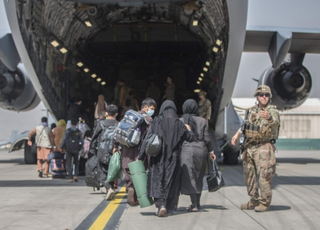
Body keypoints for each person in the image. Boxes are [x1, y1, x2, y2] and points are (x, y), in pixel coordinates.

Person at [138, 100, 195, 217]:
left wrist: (141, 156)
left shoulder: (157, 121)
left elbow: (147, 139)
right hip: (174, 158)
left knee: (157, 180)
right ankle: (169, 208)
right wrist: (188, 129)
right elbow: (190, 138)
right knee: (171, 182)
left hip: (158, 156)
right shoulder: (179, 123)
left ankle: (160, 204)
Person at [231, 85, 280, 212]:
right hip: (250, 146)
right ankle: (253, 200)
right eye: (261, 95)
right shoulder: (252, 110)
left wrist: (269, 118)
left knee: (264, 175)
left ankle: (264, 203)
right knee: (249, 174)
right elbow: (245, 125)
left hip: (264, 146)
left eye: (267, 95)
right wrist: (237, 135)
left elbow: (275, 122)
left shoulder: (272, 111)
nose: (264, 97)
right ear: (257, 97)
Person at [114, 98, 156, 206]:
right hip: (139, 151)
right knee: (138, 172)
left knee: (127, 170)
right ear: (145, 107)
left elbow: (119, 131)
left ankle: (129, 188)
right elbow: (149, 138)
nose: (152, 111)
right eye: (151, 108)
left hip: (126, 150)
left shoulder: (129, 117)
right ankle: (135, 194)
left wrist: (115, 146)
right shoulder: (148, 120)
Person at [180, 99, 216, 212]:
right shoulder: (202, 121)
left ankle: (194, 204)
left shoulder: (181, 120)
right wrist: (211, 151)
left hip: (186, 149)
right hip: (201, 150)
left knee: (190, 176)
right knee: (199, 176)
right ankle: (197, 203)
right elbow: (207, 138)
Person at [90, 104, 119, 200]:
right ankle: (110, 189)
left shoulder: (101, 124)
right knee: (111, 170)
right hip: (115, 151)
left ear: (106, 113)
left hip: (102, 150)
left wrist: (92, 150)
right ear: (116, 114)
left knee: (101, 170)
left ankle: (108, 188)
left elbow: (94, 137)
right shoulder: (119, 124)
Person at [61, 118, 84, 183]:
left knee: (68, 163)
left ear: (70, 124)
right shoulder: (79, 131)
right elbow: (82, 141)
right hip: (76, 149)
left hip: (68, 149)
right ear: (77, 124)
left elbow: (63, 139)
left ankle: (70, 177)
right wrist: (80, 146)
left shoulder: (67, 131)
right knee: (76, 162)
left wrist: (61, 147)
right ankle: (76, 175)